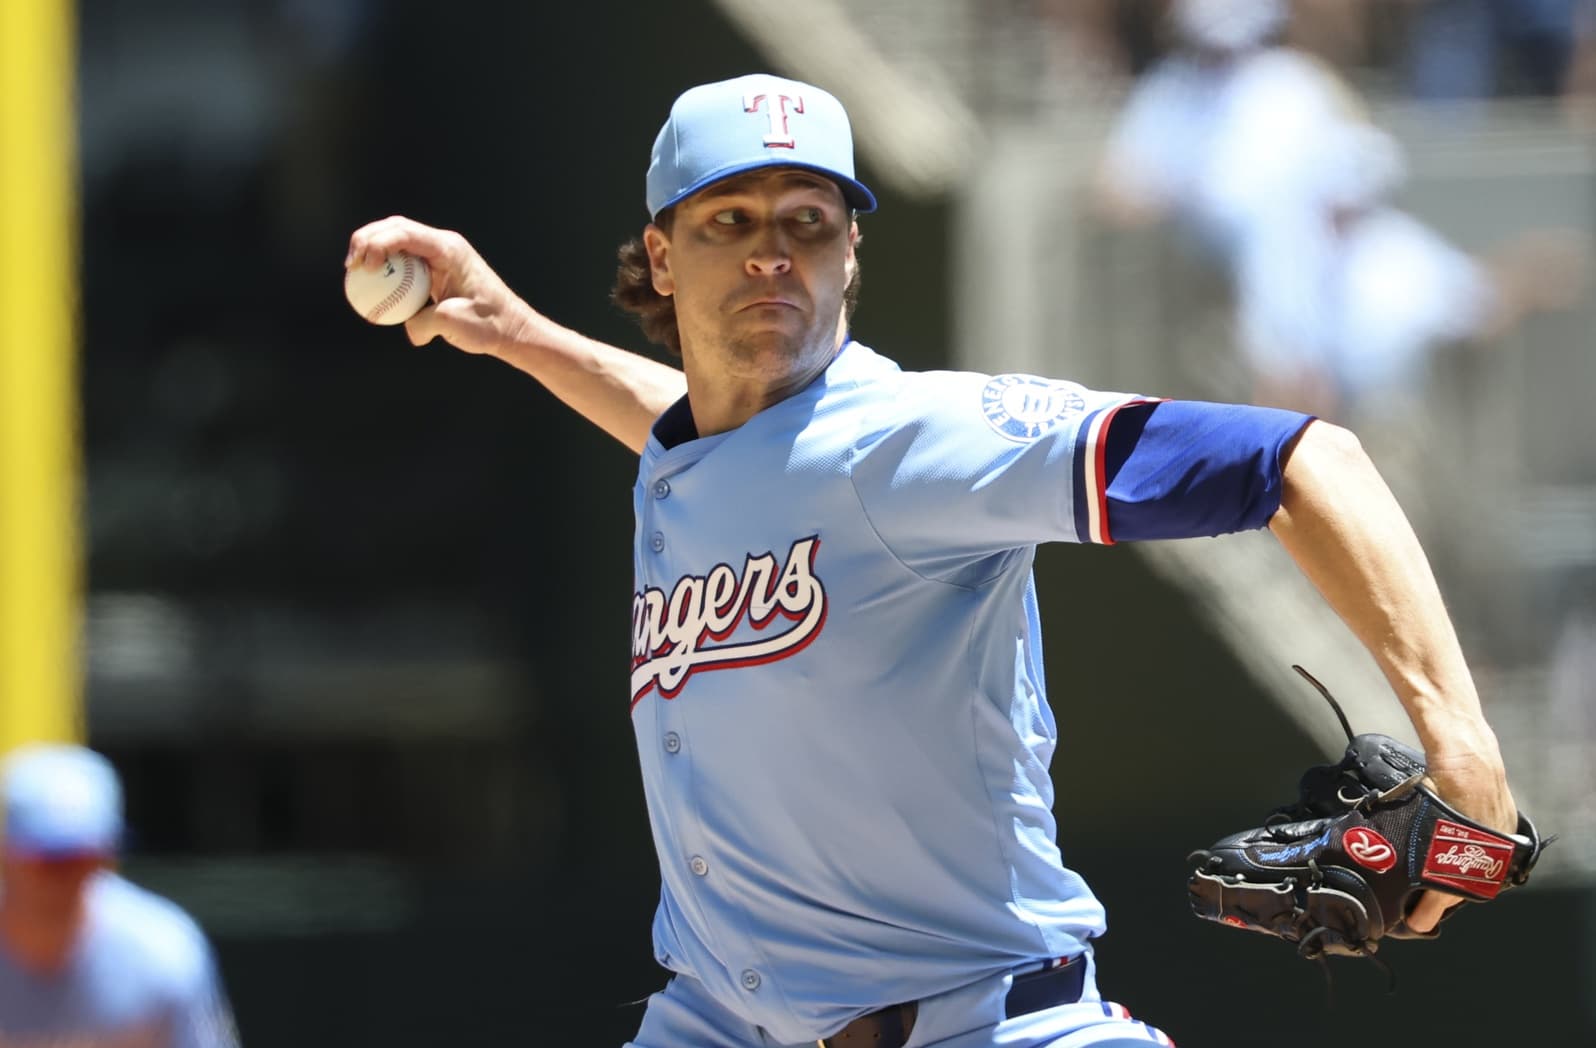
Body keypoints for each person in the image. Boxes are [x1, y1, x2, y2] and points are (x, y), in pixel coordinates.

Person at [345, 72, 1523, 1048]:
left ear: (851, 253)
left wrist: (1459, 741)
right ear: (662, 258)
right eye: (730, 222)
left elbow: (1305, 461)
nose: (772, 256)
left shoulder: (922, 440)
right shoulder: (704, 449)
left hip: (987, 1025)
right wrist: (512, 332)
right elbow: (732, 448)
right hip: (712, 1022)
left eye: (808, 222)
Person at [0, 743, 240, 1048]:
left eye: (82, 855)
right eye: (47, 857)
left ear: (109, 855)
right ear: (6, 854)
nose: (65, 873)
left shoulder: (164, 954)